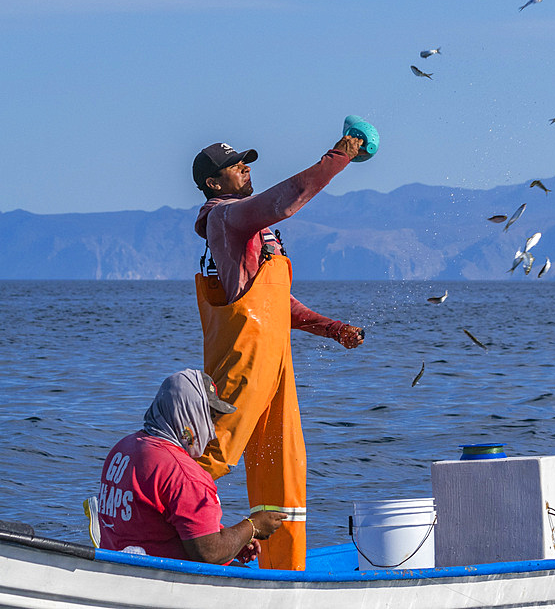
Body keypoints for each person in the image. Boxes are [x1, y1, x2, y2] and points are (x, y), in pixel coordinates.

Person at [191, 137, 365, 571]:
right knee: (213, 455)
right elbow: (285, 201)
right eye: (235, 167)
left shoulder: (251, 228)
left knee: (282, 464)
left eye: (246, 163)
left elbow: (275, 301)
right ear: (213, 183)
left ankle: (282, 568)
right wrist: (338, 158)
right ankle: (143, 520)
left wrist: (333, 329)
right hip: (243, 360)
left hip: (275, 364)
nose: (246, 169)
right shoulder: (227, 217)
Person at [97, 369, 286, 563]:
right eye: (210, 416)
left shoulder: (123, 449)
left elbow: (150, 523)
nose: (212, 431)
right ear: (188, 412)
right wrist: (252, 526)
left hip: (117, 564)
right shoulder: (184, 475)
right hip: (159, 577)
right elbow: (209, 553)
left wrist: (235, 542)